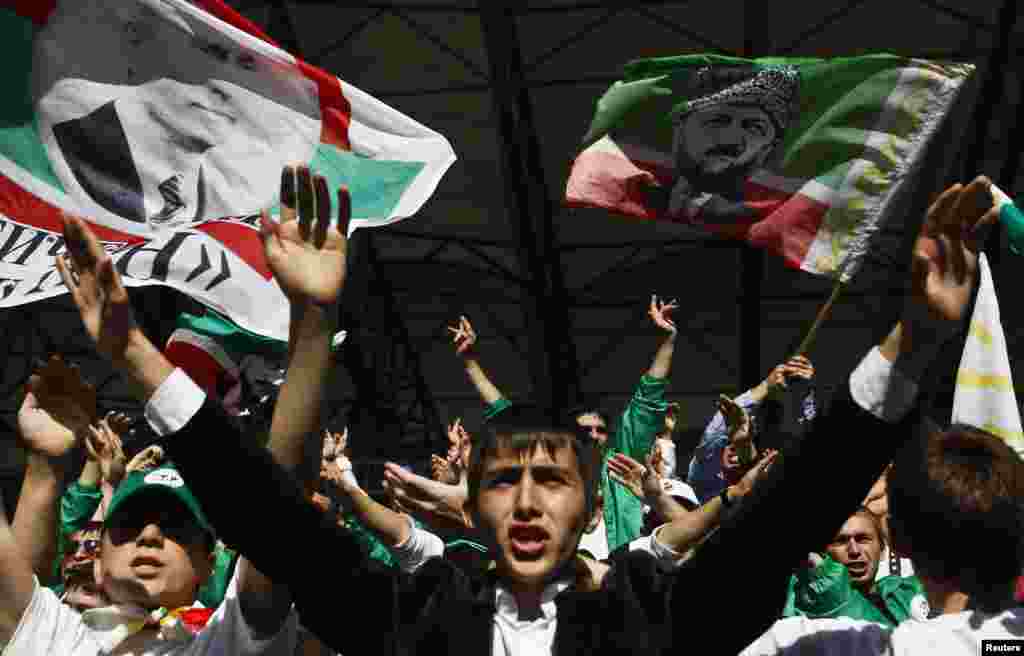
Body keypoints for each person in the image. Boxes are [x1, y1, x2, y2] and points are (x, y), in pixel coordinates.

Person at [55, 162, 992, 654]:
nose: (531, 499)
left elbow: (790, 514)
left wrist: (910, 341)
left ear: (588, 508)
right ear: (472, 505)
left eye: (553, 478)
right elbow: (265, 513)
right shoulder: (409, 614)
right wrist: (135, 353)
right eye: (505, 480)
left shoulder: (653, 614)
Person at [0, 358, 297, 654]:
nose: (150, 535)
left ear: (208, 565)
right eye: (129, 524)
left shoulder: (226, 644)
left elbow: (280, 514)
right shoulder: (59, 642)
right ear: (98, 561)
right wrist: (43, 467)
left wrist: (313, 325)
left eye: (176, 528)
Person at [32, 0, 320, 230]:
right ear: (140, 46)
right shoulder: (77, 138)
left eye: (246, 68)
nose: (228, 89)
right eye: (212, 54)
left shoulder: (224, 189)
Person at [449, 297, 679, 556]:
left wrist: (667, 340)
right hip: (563, 579)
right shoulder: (556, 465)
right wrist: (470, 362)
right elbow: (507, 416)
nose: (593, 435)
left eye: (600, 430)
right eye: (586, 430)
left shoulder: (623, 465)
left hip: (617, 578)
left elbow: (646, 403)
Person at [652, 65, 799, 223]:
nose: (731, 138)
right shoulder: (637, 189)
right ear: (680, 125)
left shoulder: (778, 220)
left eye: (755, 128)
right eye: (718, 121)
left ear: (769, 148)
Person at [687, 355, 815, 503]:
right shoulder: (706, 479)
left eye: (747, 442)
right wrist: (766, 386)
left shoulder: (770, 485)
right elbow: (714, 435)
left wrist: (802, 393)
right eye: (730, 443)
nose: (734, 452)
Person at [782, 508, 928, 626]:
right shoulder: (796, 606)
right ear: (822, 553)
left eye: (863, 539)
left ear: (882, 549)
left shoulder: (908, 593)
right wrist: (826, 583)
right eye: (841, 541)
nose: (854, 551)